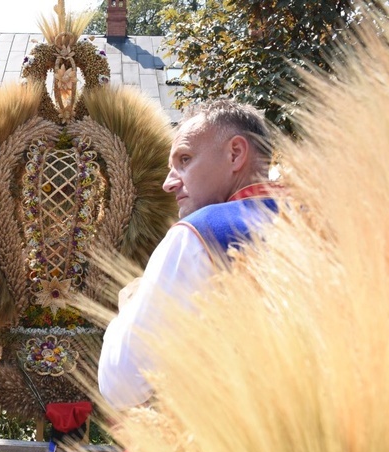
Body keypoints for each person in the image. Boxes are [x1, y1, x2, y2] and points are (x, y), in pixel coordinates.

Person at [98, 98, 279, 411]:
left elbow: (120, 382)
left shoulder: (198, 236)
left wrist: (131, 305)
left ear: (235, 154)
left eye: (184, 160)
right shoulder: (317, 219)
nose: (169, 183)